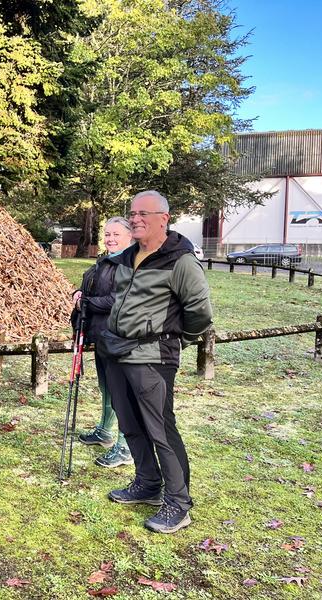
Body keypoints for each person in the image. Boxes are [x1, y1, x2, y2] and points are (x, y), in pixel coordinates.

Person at [102, 190, 212, 534]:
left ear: (163, 218)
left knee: (160, 429)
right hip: (117, 352)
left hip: (153, 358)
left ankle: (178, 504)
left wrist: (172, 337)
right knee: (129, 423)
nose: (135, 218)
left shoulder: (180, 261)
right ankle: (147, 484)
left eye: (143, 213)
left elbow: (200, 313)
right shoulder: (127, 256)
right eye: (131, 213)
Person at [72, 217, 134, 468]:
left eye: (116, 234)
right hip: (101, 334)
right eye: (107, 234)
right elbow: (93, 288)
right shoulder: (105, 260)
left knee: (122, 392)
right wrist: (78, 293)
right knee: (106, 386)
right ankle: (105, 431)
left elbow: (118, 300)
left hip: (120, 336)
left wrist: (85, 303)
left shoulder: (130, 263)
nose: (110, 238)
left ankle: (126, 446)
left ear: (130, 237)